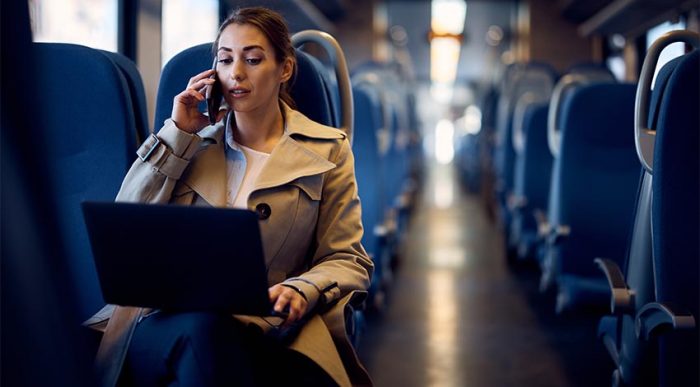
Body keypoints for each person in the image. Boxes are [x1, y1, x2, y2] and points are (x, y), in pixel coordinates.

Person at [87, 7, 373, 387]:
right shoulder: (189, 145)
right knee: (203, 333)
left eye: (253, 59)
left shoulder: (328, 150)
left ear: (284, 69)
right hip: (169, 322)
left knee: (216, 342)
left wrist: (301, 288)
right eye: (225, 59)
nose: (236, 73)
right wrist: (176, 135)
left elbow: (347, 259)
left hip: (273, 328)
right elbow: (128, 229)